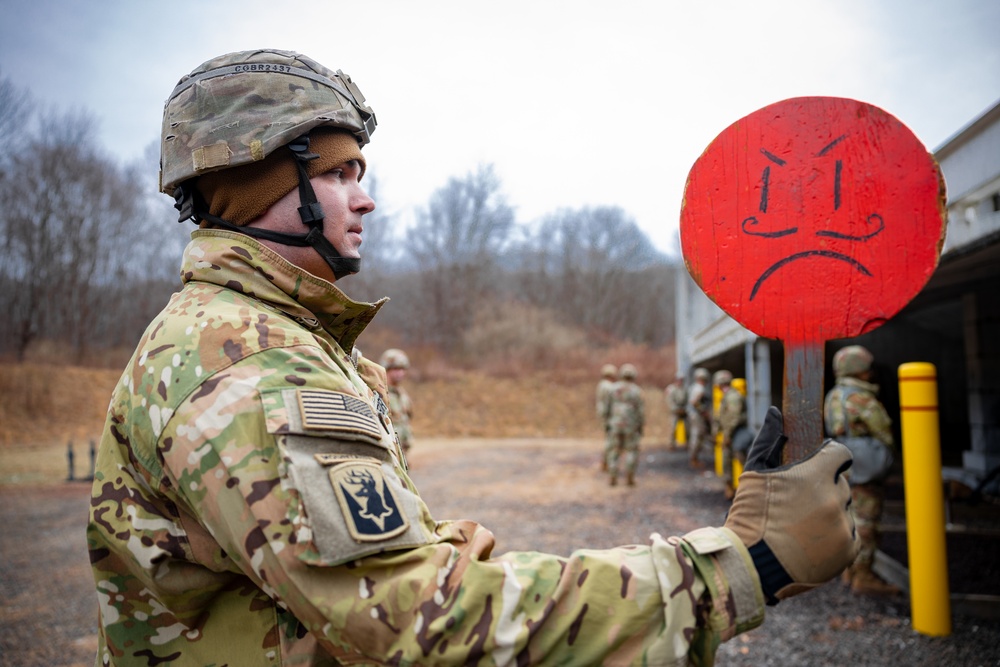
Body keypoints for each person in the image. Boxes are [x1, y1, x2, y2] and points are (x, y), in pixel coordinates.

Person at [87, 49, 859, 666]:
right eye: (334, 171)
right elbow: (414, 621)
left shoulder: (279, 339)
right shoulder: (245, 367)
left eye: (361, 172)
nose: (365, 199)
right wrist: (732, 570)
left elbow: (401, 569)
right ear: (250, 185)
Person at [824, 344, 900, 596]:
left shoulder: (834, 396)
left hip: (845, 468)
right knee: (867, 521)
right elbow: (883, 432)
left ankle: (849, 570)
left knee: (848, 519)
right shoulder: (862, 398)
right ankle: (864, 576)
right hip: (865, 470)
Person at [604, 363, 645, 486]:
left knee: (614, 451)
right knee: (631, 450)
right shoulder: (636, 391)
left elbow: (606, 408)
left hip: (615, 424)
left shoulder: (612, 389)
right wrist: (640, 426)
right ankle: (630, 477)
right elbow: (640, 411)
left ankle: (613, 476)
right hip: (630, 426)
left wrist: (607, 423)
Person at [712, 370, 747, 500]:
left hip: (736, 434)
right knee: (727, 461)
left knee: (742, 460)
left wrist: (727, 435)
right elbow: (722, 417)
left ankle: (747, 491)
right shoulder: (727, 396)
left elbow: (734, 418)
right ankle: (730, 488)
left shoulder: (732, 397)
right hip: (730, 434)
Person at [380, 348, 415, 457]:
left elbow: (408, 418)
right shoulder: (380, 394)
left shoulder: (402, 394)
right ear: (386, 369)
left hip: (403, 452)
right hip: (388, 453)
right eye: (395, 369)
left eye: (402, 369)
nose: (400, 373)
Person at [687, 367, 713, 469]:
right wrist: (703, 411)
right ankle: (694, 458)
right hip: (697, 416)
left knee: (697, 436)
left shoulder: (693, 387)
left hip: (693, 415)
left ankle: (694, 458)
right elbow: (694, 402)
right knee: (697, 436)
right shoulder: (699, 388)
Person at [596, 363, 618, 470]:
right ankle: (606, 461)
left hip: (604, 415)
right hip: (609, 416)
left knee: (609, 438)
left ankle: (606, 461)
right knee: (611, 440)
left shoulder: (601, 384)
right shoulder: (609, 386)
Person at [665, 372, 688, 450]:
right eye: (679, 380)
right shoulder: (671, 389)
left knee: (687, 427)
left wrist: (684, 409)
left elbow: (687, 400)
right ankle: (671, 444)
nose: (680, 381)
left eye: (681, 380)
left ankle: (687, 443)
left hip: (684, 411)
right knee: (673, 428)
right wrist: (676, 409)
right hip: (675, 411)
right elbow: (670, 401)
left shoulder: (684, 389)